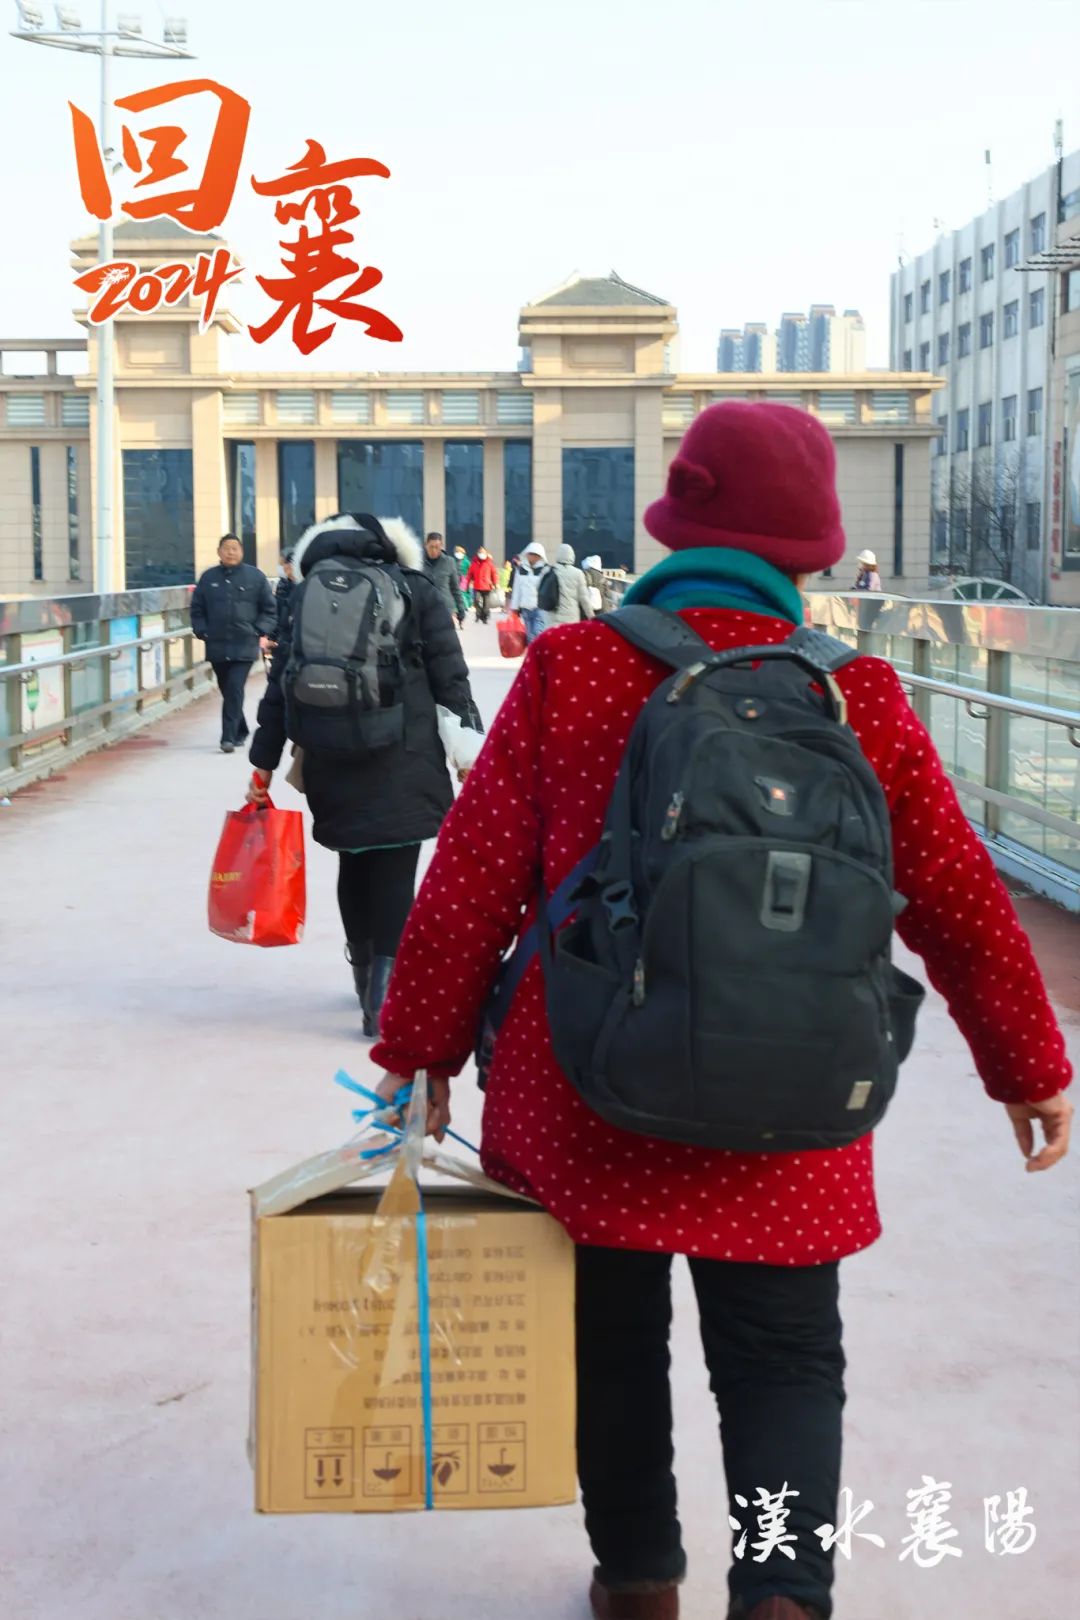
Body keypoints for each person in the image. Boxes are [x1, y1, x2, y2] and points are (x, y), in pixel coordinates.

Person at [370, 403, 1073, 1620]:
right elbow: (957, 893)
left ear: (678, 523)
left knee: (609, 1343)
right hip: (792, 1092)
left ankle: (640, 1579)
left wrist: (421, 1049)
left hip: (590, 1083)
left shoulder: (574, 667)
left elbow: (472, 878)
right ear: (814, 548)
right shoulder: (857, 692)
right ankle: (784, 1597)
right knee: (785, 1358)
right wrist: (1029, 1065)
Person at [246, 513, 483, 1036]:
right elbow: (451, 676)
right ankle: (385, 997)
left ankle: (363, 977)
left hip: (329, 751)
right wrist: (469, 753)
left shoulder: (304, 593)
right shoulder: (416, 588)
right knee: (395, 870)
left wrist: (262, 764)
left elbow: (280, 684)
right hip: (403, 750)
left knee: (353, 864)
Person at [189, 534, 276, 753]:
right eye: (226, 548)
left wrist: (258, 630)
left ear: (242, 551)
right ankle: (241, 729)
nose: (230, 552)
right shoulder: (208, 578)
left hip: (244, 644)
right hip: (216, 644)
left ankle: (227, 737)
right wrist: (202, 630)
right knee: (227, 690)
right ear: (219, 552)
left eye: (235, 548)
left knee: (235, 688)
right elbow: (197, 609)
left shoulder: (255, 577)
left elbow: (269, 609)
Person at [509, 540, 551, 642]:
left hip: (539, 608)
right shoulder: (520, 569)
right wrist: (514, 608)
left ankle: (538, 651)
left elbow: (548, 590)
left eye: (535, 554)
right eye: (531, 554)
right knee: (529, 636)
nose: (532, 556)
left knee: (537, 634)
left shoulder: (545, 570)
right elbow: (517, 590)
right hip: (525, 608)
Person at [422, 531, 466, 627]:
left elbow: (455, 588)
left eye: (437, 547)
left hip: (445, 610)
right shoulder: (419, 562)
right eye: (431, 547)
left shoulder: (449, 562)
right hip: (424, 610)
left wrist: (461, 608)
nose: (434, 550)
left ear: (441, 546)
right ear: (426, 545)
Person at [548, 542, 596, 626]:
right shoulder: (578, 573)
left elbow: (539, 589)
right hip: (571, 618)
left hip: (552, 617)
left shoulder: (548, 571)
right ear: (572, 556)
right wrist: (591, 616)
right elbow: (584, 598)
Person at [464, 545, 500, 623]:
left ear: (486, 553)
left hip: (487, 586)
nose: (481, 554)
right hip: (477, 586)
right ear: (477, 553)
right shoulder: (474, 563)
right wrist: (466, 585)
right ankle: (478, 614)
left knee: (486, 603)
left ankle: (485, 616)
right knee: (476, 601)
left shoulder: (489, 563)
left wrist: (496, 583)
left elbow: (494, 574)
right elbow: (469, 575)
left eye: (483, 552)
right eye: (480, 552)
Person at [269, 548, 296, 648]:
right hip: (283, 638)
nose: (284, 567)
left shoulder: (304, 586)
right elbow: (276, 612)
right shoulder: (282, 585)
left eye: (285, 563)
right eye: (282, 564)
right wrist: (272, 637)